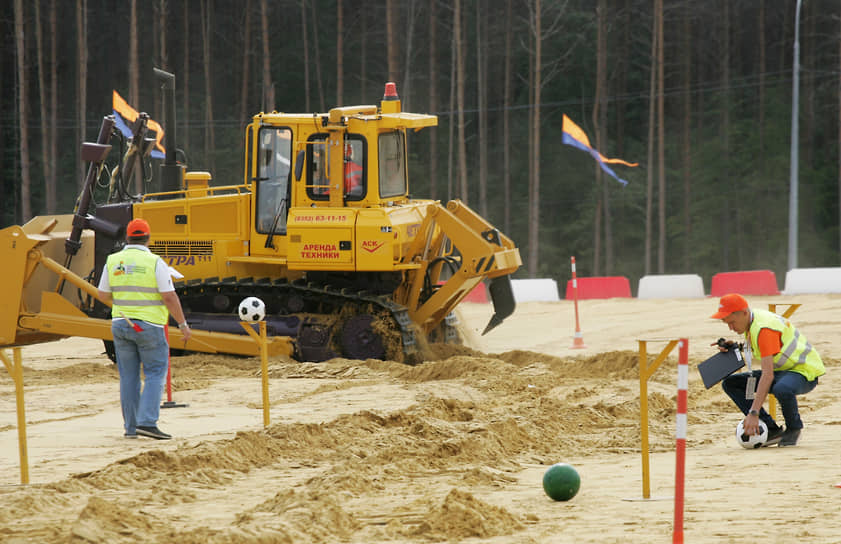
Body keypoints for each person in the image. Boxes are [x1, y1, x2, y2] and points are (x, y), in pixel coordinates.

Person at [97, 218, 192, 440]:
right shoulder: (155, 262)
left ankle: (131, 428)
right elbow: (169, 296)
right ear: (148, 238)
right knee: (156, 372)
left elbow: (102, 294)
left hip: (120, 324)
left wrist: (121, 307)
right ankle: (147, 422)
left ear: (128, 238)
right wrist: (183, 324)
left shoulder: (113, 261)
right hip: (149, 326)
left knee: (128, 377)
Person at [711, 293, 825, 447]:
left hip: (803, 372)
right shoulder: (751, 321)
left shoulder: (764, 328)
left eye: (732, 322)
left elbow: (767, 374)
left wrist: (753, 413)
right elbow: (765, 349)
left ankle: (793, 428)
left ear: (744, 312)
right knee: (730, 383)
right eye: (727, 324)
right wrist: (736, 347)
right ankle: (771, 430)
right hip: (783, 372)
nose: (731, 328)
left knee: (782, 388)